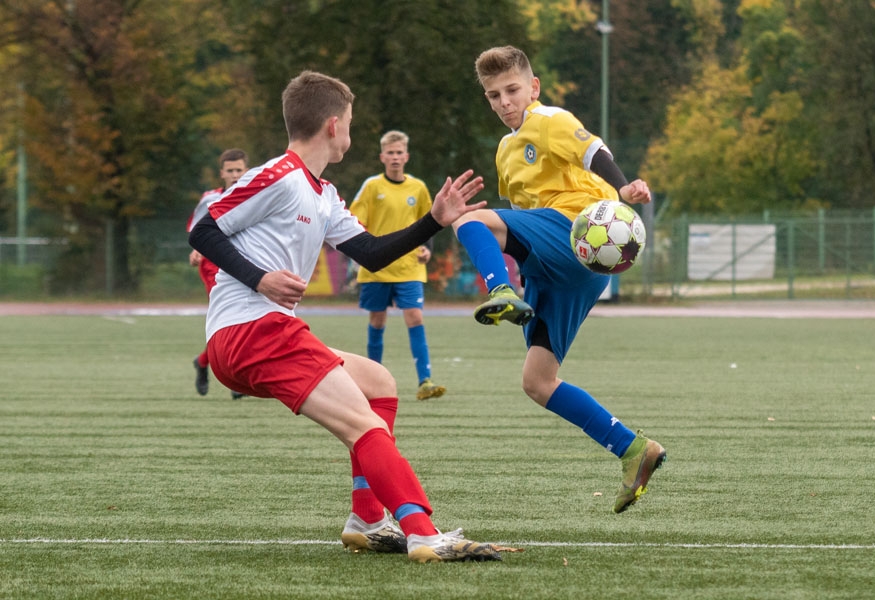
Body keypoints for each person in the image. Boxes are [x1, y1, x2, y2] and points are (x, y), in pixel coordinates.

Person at [188, 70, 501, 563]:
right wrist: (259, 278)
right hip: (252, 331)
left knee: (378, 382)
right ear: (334, 126)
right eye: (351, 122)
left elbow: (373, 253)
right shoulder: (279, 176)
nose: (351, 132)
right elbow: (204, 230)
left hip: (262, 334)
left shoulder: (323, 193)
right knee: (364, 427)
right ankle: (423, 531)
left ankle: (367, 519)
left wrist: (434, 221)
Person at [452, 46, 666, 514]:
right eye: (493, 95)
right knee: (538, 380)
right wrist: (528, 271)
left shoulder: (548, 119)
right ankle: (633, 449)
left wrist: (624, 185)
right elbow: (520, 215)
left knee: (468, 221)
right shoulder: (506, 151)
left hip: (579, 229)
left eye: (512, 90)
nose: (504, 101)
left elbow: (592, 150)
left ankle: (499, 292)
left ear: (534, 87)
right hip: (566, 265)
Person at [349, 131, 445, 400]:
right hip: (376, 267)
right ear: (382, 157)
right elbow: (355, 221)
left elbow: (430, 222)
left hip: (409, 266)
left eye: (399, 152)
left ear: (406, 156)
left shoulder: (418, 188)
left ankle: (425, 380)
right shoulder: (371, 187)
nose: (394, 157)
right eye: (390, 153)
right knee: (377, 321)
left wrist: (428, 249)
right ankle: (372, 380)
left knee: (415, 316)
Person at [186, 148, 249, 400]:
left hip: (243, 263)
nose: (235, 175)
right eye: (230, 170)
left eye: (239, 170)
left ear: (247, 171)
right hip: (213, 264)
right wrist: (196, 251)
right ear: (222, 173)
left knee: (244, 318)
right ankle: (235, 378)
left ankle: (203, 362)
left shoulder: (255, 195)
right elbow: (196, 229)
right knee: (230, 318)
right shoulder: (210, 199)